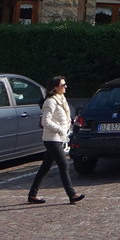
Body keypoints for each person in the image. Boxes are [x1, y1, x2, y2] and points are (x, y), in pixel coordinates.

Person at [27, 75, 84, 205]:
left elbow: (61, 117)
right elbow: (45, 121)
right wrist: (60, 129)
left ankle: (32, 195)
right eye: (63, 85)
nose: (66, 87)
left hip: (58, 138)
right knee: (63, 165)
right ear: (55, 87)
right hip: (52, 139)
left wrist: (71, 122)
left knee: (45, 167)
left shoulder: (61, 99)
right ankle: (72, 194)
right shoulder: (50, 102)